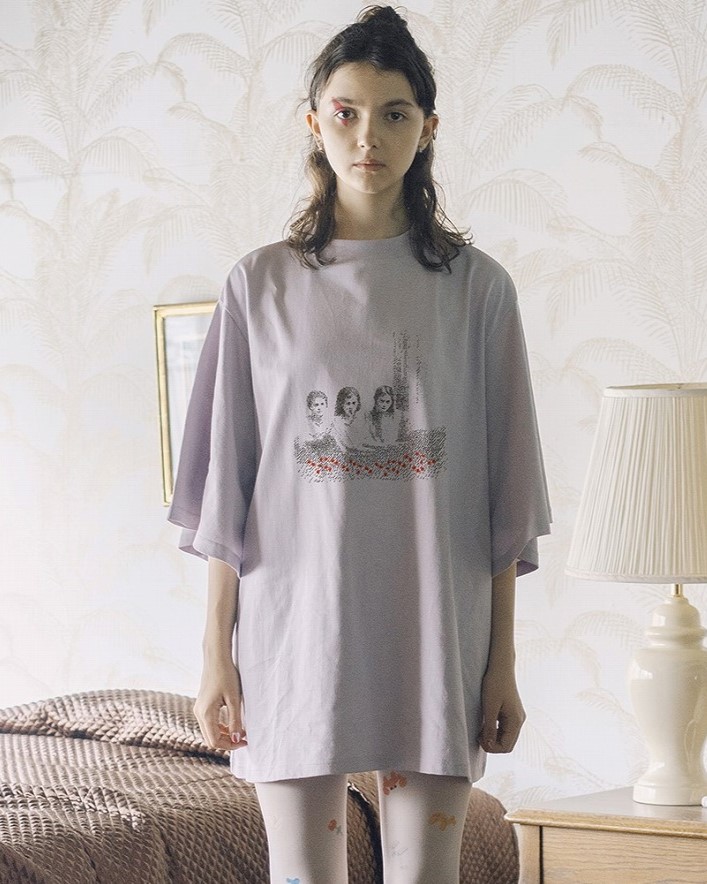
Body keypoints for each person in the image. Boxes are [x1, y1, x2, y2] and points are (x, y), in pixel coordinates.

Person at [168, 6, 551, 883]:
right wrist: (215, 656)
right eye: (345, 112)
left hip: (435, 634)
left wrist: (502, 665)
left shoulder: (477, 292)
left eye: (393, 113)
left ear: (427, 129)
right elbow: (229, 487)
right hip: (292, 634)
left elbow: (505, 499)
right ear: (313, 122)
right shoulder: (258, 285)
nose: (367, 136)